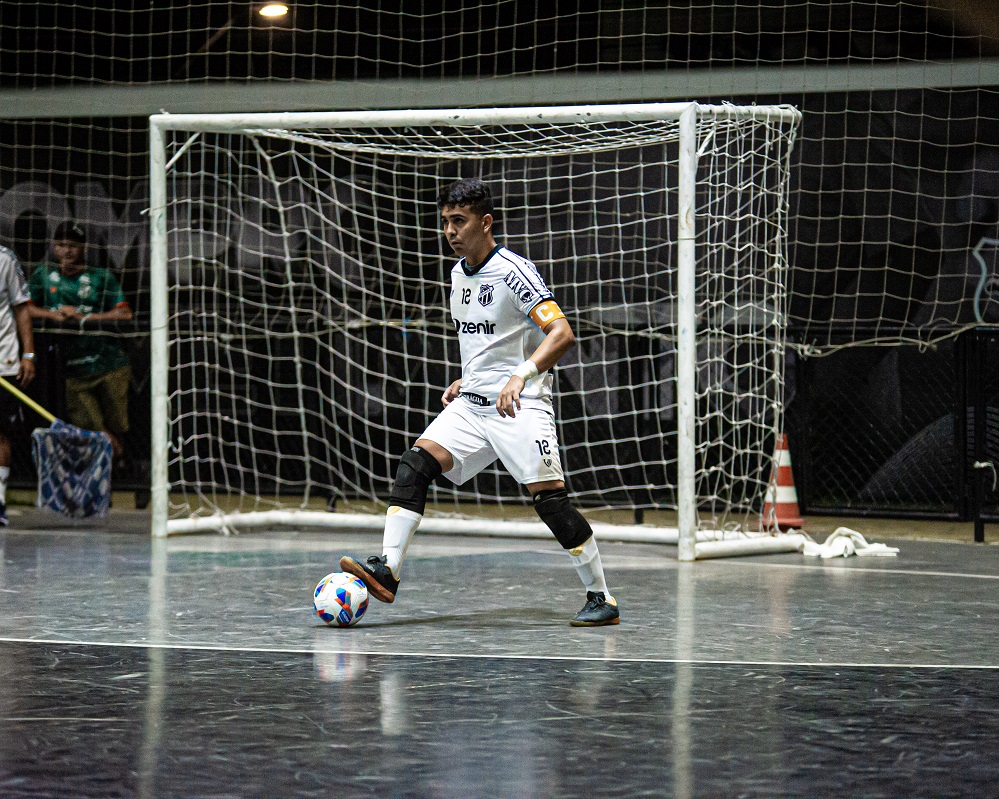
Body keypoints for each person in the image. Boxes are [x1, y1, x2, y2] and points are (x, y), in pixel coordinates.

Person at [341, 177, 619, 626]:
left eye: (459, 221)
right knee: (415, 465)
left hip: (521, 405)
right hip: (472, 404)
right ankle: (388, 570)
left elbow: (562, 333)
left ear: (485, 223)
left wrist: (520, 375)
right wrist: (466, 378)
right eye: (445, 223)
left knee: (550, 503)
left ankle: (601, 597)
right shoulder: (457, 275)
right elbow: (487, 343)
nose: (450, 231)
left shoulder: (514, 270)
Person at [27, 221, 132, 462]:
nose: (67, 251)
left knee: (118, 427)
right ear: (54, 247)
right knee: (91, 428)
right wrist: (53, 314)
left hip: (109, 363)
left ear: (83, 248)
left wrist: (85, 318)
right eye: (61, 245)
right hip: (73, 370)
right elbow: (25, 310)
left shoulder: (100, 277)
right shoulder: (43, 275)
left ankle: (122, 472)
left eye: (73, 245)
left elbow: (125, 313)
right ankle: (108, 468)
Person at [0, 245, 36, 525]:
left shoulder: (5, 259)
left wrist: (28, 354)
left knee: (1, 433)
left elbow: (22, 308)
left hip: (4, 360)